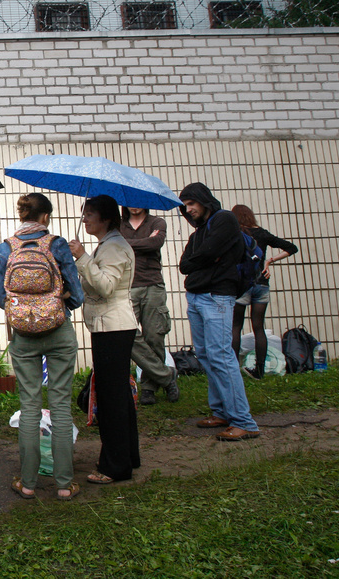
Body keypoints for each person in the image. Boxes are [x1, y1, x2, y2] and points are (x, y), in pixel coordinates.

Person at [0, 194, 84, 500]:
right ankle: (64, 484)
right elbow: (78, 296)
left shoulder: (5, 248)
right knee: (60, 405)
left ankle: (29, 483)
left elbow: (1, 299)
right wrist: (58, 303)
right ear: (44, 217)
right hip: (59, 331)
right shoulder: (57, 245)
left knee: (30, 406)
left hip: (23, 334)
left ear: (22, 216)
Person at [178, 183, 260, 442]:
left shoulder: (224, 219)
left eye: (192, 203)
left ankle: (243, 421)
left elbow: (206, 254)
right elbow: (184, 265)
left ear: (204, 200)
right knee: (205, 355)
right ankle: (221, 412)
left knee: (221, 356)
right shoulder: (200, 232)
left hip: (217, 298)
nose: (188, 209)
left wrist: (199, 260)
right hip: (197, 298)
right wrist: (201, 259)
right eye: (185, 206)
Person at [69, 195, 140, 485]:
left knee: (111, 399)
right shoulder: (109, 244)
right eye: (84, 213)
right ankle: (127, 456)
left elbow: (107, 287)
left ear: (107, 218)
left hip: (113, 328)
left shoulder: (112, 247)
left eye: (90, 214)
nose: (85, 218)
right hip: (111, 326)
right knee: (119, 394)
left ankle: (114, 467)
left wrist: (83, 258)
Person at [230, 204, 299, 379]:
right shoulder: (262, 233)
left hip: (242, 285)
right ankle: (259, 370)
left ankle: (232, 369)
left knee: (235, 326)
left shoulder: (236, 233)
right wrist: (269, 261)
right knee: (259, 327)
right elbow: (292, 247)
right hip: (262, 283)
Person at [119, 207, 179, 405]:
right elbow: (115, 246)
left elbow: (156, 243)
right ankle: (167, 376)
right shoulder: (118, 224)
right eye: (129, 201)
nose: (134, 205)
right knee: (127, 333)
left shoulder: (157, 222)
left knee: (155, 336)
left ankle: (149, 388)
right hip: (127, 286)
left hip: (153, 285)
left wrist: (127, 244)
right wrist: (143, 243)